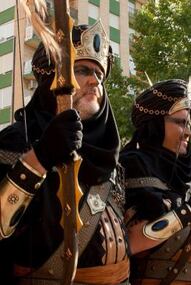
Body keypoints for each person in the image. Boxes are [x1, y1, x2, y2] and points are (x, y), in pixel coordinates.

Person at [0, 20, 128, 285]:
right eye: (81, 70)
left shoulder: (110, 159)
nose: (94, 81)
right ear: (51, 79)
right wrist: (40, 157)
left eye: (99, 75)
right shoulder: (17, 140)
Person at [120, 79, 191, 284]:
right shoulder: (134, 164)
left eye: (189, 124)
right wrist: (190, 211)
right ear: (156, 124)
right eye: (181, 122)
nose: (188, 133)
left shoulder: (185, 174)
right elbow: (131, 242)